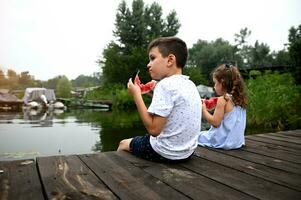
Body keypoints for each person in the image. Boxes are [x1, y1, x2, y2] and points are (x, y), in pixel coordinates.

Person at [117, 37, 201, 163]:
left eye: (152, 58)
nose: (148, 64)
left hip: (165, 152)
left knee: (123, 144)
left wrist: (137, 95)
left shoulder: (164, 85)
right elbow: (174, 107)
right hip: (186, 153)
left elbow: (153, 130)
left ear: (170, 60)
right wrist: (152, 93)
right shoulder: (190, 84)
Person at [198, 64, 247, 150]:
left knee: (196, 136)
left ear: (222, 82)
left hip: (222, 141)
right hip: (236, 142)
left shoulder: (223, 99)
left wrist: (204, 110)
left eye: (215, 83)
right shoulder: (239, 99)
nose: (214, 86)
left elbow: (215, 123)